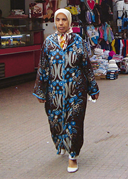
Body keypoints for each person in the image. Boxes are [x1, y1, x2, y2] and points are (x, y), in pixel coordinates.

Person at [33, 9, 100, 173]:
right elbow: (43, 67)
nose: (61, 23)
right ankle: (61, 142)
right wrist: (41, 91)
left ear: (69, 22)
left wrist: (93, 88)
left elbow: (86, 66)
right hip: (54, 92)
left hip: (76, 92)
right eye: (58, 20)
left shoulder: (78, 41)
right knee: (55, 122)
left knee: (74, 123)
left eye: (64, 20)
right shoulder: (48, 42)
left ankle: (73, 156)